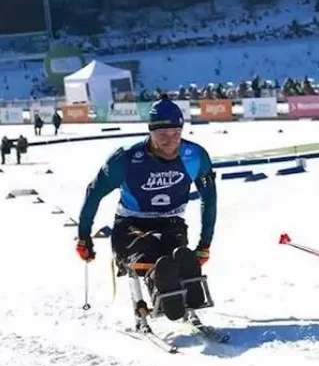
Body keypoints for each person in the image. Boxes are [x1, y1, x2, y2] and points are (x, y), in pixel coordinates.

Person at [74, 99, 217, 322]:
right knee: (148, 248)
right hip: (131, 224)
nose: (171, 141)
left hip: (171, 221)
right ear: (150, 132)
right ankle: (165, 283)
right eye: (163, 135)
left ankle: (185, 282)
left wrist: (205, 244)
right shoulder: (126, 159)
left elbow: (209, 199)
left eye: (176, 133)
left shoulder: (195, 156)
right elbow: (94, 192)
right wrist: (84, 237)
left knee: (175, 248)